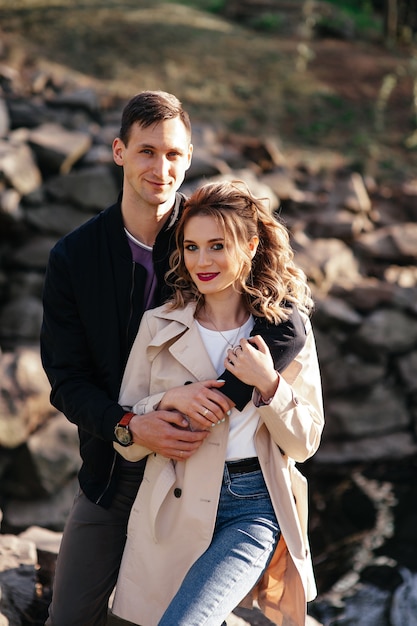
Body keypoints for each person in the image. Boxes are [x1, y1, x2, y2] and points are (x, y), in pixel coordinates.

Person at [40, 91, 307, 626]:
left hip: (199, 466)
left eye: (174, 155)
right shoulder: (74, 256)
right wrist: (132, 427)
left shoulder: (205, 233)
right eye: (146, 151)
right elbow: (66, 380)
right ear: (119, 152)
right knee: (69, 617)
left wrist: (212, 402)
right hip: (113, 466)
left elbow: (288, 321)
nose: (160, 169)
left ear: (188, 159)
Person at [111, 180, 325, 626]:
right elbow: (126, 435)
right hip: (170, 502)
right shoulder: (158, 325)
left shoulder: (284, 333)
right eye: (191, 247)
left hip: (253, 508)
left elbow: (306, 443)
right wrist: (169, 400)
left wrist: (268, 384)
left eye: (217, 246)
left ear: (249, 246)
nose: (202, 261)